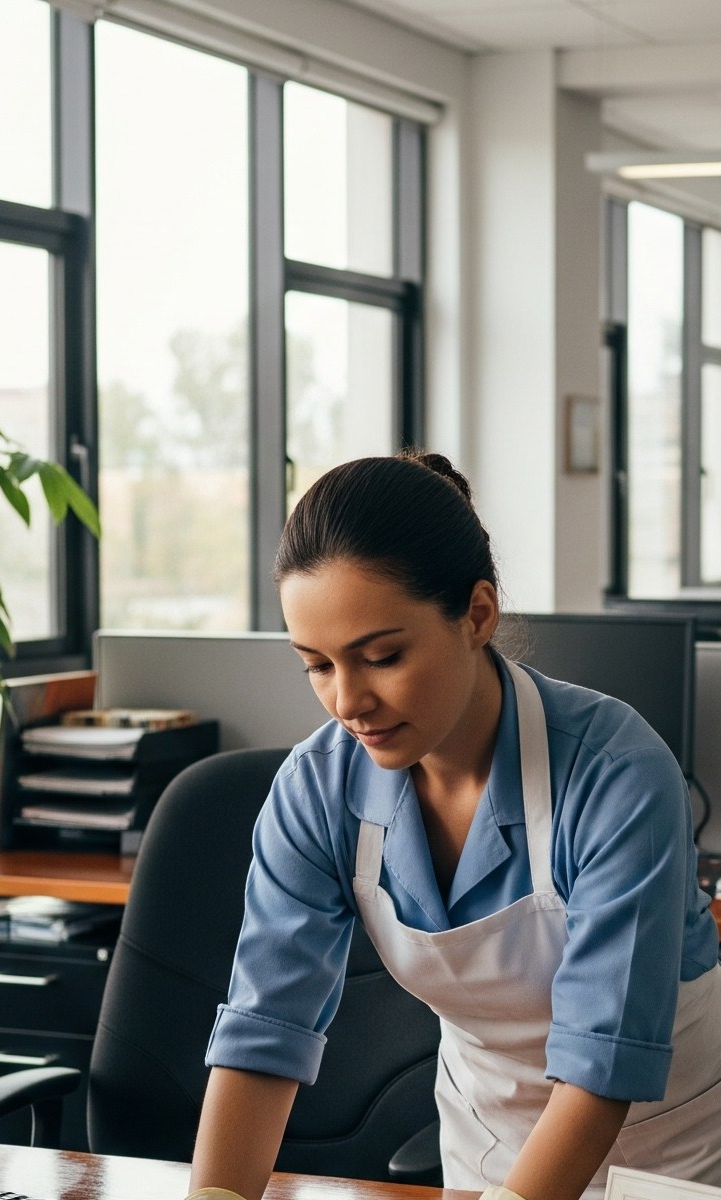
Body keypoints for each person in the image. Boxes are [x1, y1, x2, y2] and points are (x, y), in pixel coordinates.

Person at [184, 451, 721, 1200]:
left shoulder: (615, 774)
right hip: (489, 1137)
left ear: (477, 614)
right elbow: (264, 1030)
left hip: (662, 1144)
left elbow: (602, 1068)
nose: (348, 702)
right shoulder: (318, 789)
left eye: (381, 656)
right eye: (317, 665)